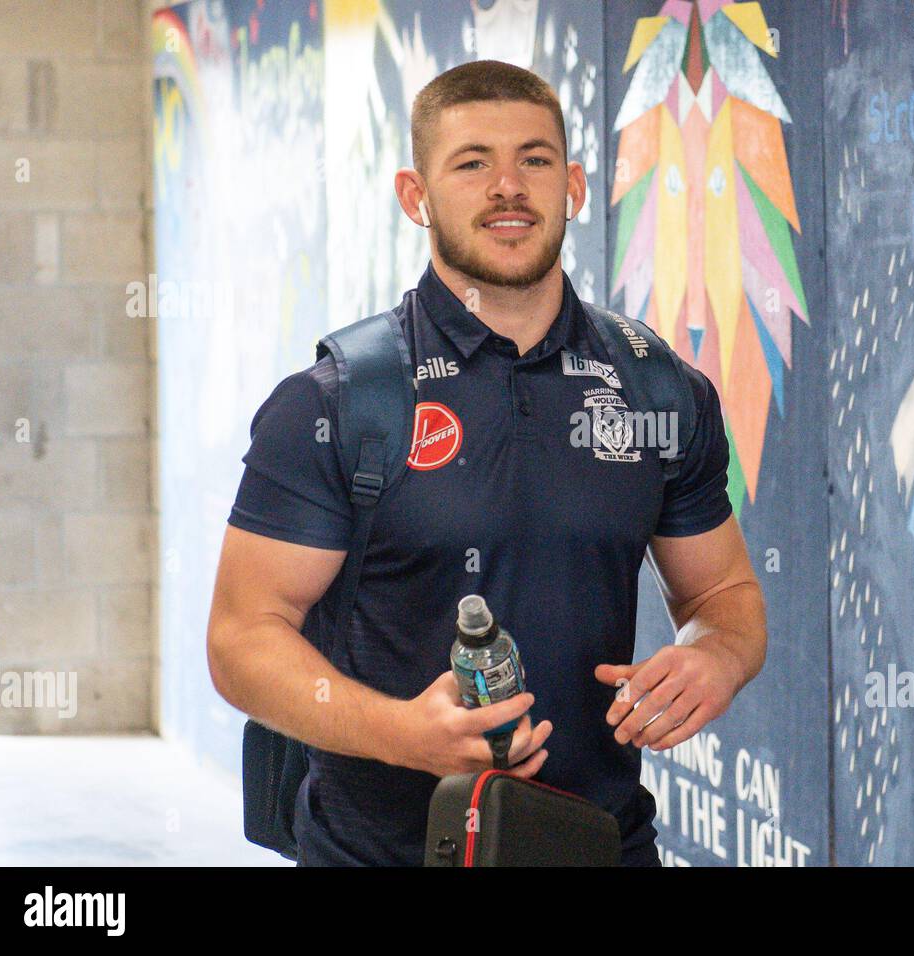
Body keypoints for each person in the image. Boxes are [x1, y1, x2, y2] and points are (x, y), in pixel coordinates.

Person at [206, 59, 767, 866]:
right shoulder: (337, 404)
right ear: (415, 196)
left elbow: (724, 593)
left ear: (573, 185)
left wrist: (717, 654)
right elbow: (240, 640)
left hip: (598, 845)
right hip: (380, 852)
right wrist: (401, 734)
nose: (509, 186)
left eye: (534, 159)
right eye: (472, 163)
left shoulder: (657, 388)